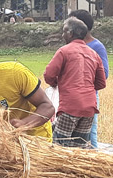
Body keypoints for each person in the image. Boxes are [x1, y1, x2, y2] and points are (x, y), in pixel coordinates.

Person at [43, 17, 106, 148]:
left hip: (70, 107)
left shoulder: (64, 51)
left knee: (60, 146)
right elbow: (101, 83)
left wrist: (57, 83)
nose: (62, 35)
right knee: (80, 148)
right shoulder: (94, 54)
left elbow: (48, 75)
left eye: (64, 31)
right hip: (89, 108)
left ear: (71, 34)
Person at [68, 9, 109, 148]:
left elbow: (104, 74)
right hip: (70, 99)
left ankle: (94, 164)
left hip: (88, 98)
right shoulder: (70, 47)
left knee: (90, 135)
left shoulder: (97, 47)